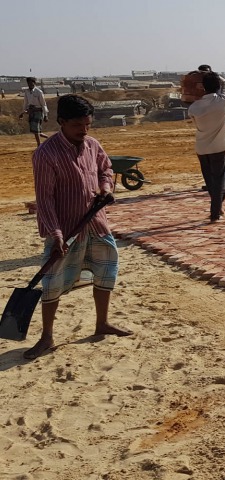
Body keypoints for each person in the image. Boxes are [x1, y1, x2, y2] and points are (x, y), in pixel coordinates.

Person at [26, 94, 131, 360]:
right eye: (77, 126)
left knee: (106, 271)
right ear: (61, 122)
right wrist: (56, 233)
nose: (83, 131)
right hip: (65, 229)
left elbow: (105, 170)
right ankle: (47, 337)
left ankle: (102, 323)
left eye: (87, 125)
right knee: (52, 282)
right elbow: (45, 198)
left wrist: (106, 188)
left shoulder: (92, 145)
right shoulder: (45, 154)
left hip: (96, 224)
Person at [188, 71, 225, 223]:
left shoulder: (194, 108)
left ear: (203, 88)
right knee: (219, 180)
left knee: (210, 180)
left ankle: (218, 207)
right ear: (217, 86)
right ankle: (216, 212)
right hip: (218, 147)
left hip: (201, 147)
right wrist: (216, 76)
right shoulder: (221, 102)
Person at [197, 64, 225, 190]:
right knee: (218, 152)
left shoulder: (216, 84)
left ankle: (219, 183)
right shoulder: (204, 85)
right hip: (209, 120)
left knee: (217, 151)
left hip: (219, 119)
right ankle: (224, 180)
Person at [19, 77, 49, 146]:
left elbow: (43, 104)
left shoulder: (39, 92)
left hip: (38, 112)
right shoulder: (26, 92)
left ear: (34, 83)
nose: (30, 84)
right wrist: (23, 112)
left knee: (36, 130)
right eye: (28, 82)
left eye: (31, 82)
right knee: (36, 130)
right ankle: (49, 138)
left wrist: (45, 115)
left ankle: (39, 145)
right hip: (31, 112)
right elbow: (25, 103)